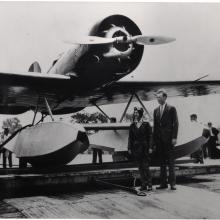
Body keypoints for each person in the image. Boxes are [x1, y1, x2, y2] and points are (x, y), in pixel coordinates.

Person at [153, 89, 179, 190]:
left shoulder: (171, 108)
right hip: (159, 141)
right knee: (162, 163)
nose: (158, 99)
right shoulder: (156, 110)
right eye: (157, 97)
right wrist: (154, 141)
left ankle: (173, 183)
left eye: (159, 97)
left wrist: (174, 137)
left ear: (165, 97)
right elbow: (155, 127)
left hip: (169, 140)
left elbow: (176, 123)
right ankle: (163, 183)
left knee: (171, 162)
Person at [128, 107, 153, 192]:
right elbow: (130, 138)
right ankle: (143, 185)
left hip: (145, 148)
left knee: (146, 166)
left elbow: (150, 136)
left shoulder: (146, 124)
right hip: (136, 148)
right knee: (140, 167)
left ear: (141, 114)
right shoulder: (132, 125)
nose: (135, 114)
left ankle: (149, 184)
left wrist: (150, 147)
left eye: (137, 113)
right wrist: (129, 148)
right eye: (134, 113)